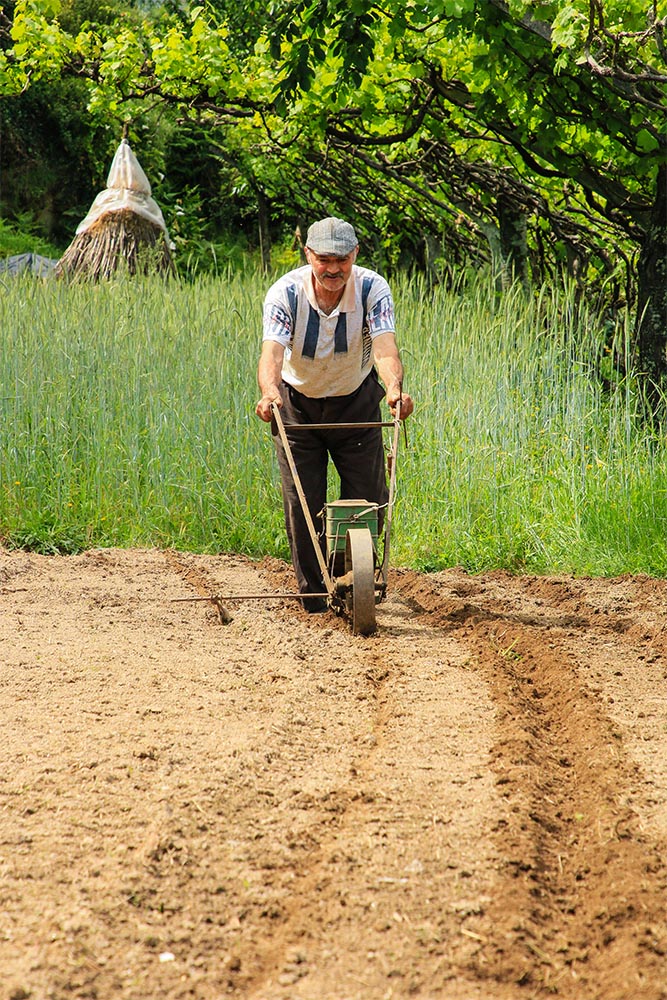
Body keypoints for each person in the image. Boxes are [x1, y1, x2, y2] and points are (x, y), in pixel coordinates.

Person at [255, 217, 414, 612]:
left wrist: (394, 388)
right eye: (323, 259)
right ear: (308, 255)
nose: (332, 269)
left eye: (341, 259)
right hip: (297, 404)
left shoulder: (372, 288)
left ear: (354, 255)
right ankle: (313, 597)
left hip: (355, 400)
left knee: (367, 499)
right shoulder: (285, 293)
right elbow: (272, 352)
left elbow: (385, 349)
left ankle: (349, 582)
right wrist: (269, 391)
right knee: (303, 502)